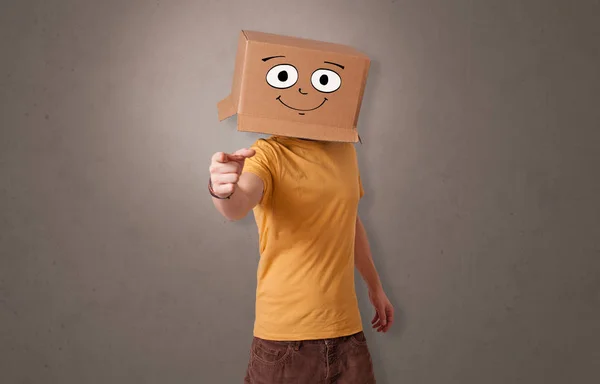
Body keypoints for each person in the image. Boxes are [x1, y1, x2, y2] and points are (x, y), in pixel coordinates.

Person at [208, 135, 394, 383]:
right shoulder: (266, 153)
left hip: (348, 337)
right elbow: (237, 206)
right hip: (285, 344)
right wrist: (221, 190)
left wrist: (375, 287)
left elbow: (349, 219)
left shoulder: (345, 151)